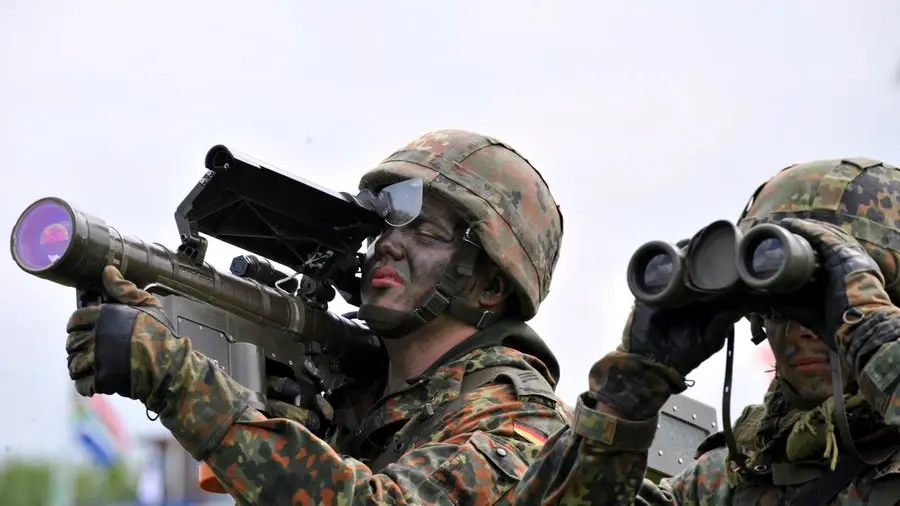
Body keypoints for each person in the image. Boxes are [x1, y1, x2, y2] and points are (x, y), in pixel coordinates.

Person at [63, 129, 572, 505]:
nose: (389, 244)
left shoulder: (523, 424)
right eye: (386, 225)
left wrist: (182, 384)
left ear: (490, 286)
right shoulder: (358, 402)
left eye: (427, 232)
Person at [513, 157, 900, 506]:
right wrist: (627, 392)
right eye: (786, 304)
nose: (805, 330)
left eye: (828, 303)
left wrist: (874, 339)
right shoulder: (721, 483)